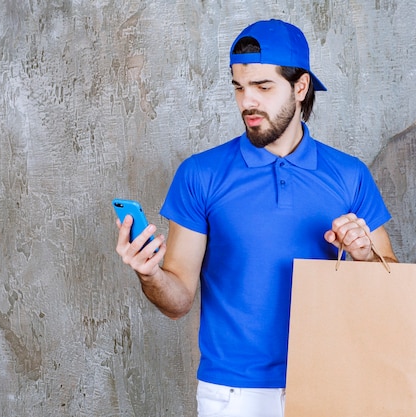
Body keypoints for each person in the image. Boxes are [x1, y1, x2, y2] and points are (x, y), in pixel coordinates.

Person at [115, 19, 398, 417]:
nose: (247, 102)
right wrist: (150, 275)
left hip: (333, 381)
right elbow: (178, 300)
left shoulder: (350, 176)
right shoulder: (201, 174)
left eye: (263, 87)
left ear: (300, 88)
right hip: (232, 394)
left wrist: (365, 255)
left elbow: (392, 289)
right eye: (238, 87)